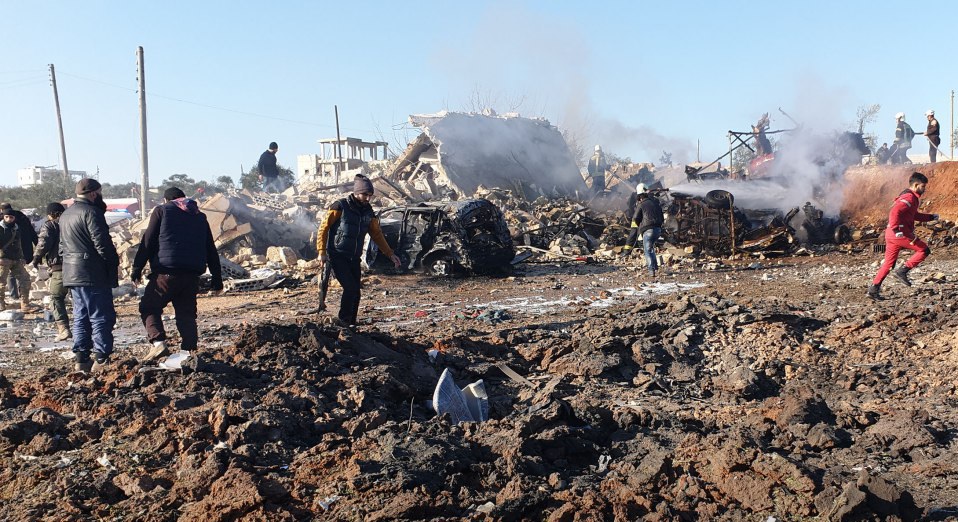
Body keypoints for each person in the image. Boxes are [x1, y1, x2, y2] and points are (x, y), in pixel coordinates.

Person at [131, 187, 223, 365]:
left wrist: (136, 268)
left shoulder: (162, 211)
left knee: (149, 307)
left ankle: (158, 342)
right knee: (186, 314)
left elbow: (148, 241)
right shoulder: (199, 216)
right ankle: (188, 352)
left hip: (166, 273)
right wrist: (217, 279)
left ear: (167, 200)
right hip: (191, 276)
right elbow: (210, 248)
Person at [316, 174, 401, 326]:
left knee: (356, 292)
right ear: (356, 193)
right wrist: (321, 252)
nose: (368, 198)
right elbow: (323, 228)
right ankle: (343, 322)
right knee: (350, 288)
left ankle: (351, 324)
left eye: (370, 196)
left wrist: (390, 254)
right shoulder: (339, 206)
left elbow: (376, 234)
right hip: (337, 255)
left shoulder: (368, 212)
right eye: (365, 195)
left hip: (354, 258)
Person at [59, 179, 119, 373]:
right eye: (100, 193)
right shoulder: (92, 212)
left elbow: (62, 248)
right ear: (94, 194)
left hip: (71, 272)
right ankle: (102, 359)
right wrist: (112, 264)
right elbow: (101, 243)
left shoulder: (66, 214)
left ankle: (81, 358)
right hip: (91, 272)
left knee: (80, 316)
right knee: (101, 316)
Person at [867, 172, 939, 300]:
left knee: (889, 264)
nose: (924, 189)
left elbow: (913, 215)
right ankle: (902, 271)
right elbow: (895, 212)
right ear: (916, 185)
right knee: (924, 250)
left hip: (891, 234)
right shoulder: (910, 198)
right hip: (899, 234)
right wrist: (896, 229)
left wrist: (930, 217)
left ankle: (873, 289)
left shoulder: (909, 197)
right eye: (923, 186)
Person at [31, 203, 71, 340]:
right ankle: (83, 328)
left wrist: (36, 258)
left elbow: (43, 243)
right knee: (80, 299)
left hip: (59, 268)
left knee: (56, 298)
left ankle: (63, 328)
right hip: (80, 267)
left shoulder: (50, 225)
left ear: (51, 214)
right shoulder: (73, 222)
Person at [0, 202, 38, 300]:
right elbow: (32, 232)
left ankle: (14, 296)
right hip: (23, 251)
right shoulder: (22, 217)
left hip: (9, 255)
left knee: (10, 275)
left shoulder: (5, 220)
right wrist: (37, 247)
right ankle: (20, 298)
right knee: (20, 276)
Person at [628, 189, 664, 276]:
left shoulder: (641, 204)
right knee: (651, 248)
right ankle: (655, 267)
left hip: (648, 230)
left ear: (640, 197)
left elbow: (635, 218)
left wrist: (639, 226)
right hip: (658, 230)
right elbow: (662, 218)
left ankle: (651, 270)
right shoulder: (655, 204)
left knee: (647, 250)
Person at [622, 183, 647, 254]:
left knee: (633, 233)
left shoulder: (635, 195)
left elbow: (629, 205)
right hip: (638, 217)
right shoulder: (639, 196)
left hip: (635, 217)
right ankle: (641, 249)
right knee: (638, 233)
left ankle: (627, 250)